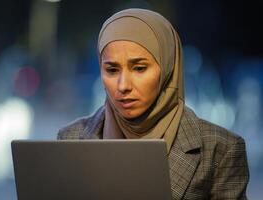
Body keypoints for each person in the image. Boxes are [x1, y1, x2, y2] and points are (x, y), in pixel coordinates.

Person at [57, 8, 249, 199]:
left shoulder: (221, 149)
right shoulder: (70, 139)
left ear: (167, 68)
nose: (123, 85)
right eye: (112, 69)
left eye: (139, 68)